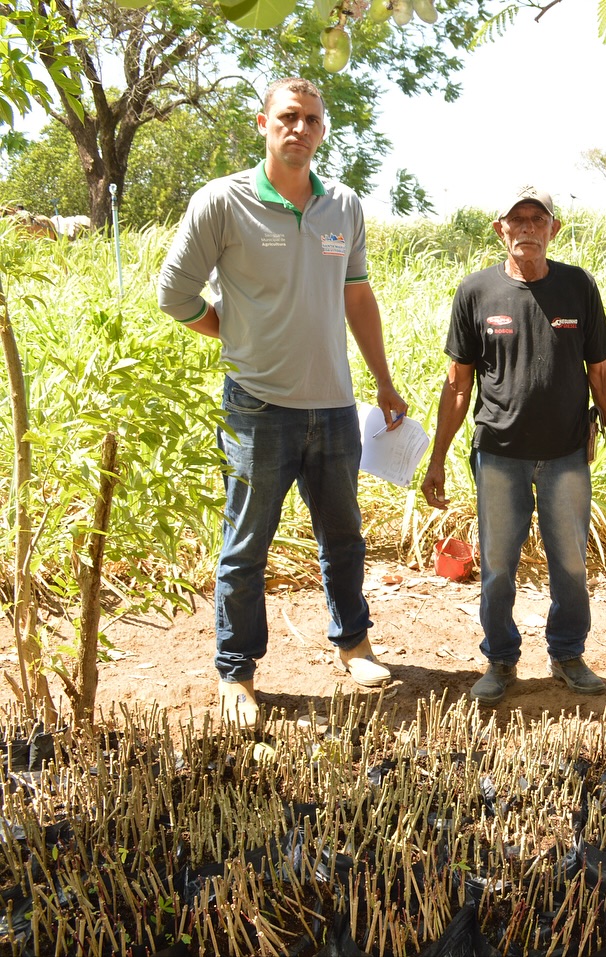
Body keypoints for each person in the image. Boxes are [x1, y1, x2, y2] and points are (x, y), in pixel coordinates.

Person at [157, 77, 408, 728]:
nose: (300, 128)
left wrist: (382, 379)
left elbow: (357, 297)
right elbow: (174, 294)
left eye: (312, 120)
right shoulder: (223, 201)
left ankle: (354, 643)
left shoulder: (343, 207)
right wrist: (231, 332)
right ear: (263, 123)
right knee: (246, 547)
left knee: (344, 537)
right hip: (257, 407)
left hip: (333, 405)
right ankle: (236, 674)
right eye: (288, 117)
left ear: (323, 130)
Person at [421, 187, 606, 705]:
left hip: (565, 457)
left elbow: (601, 373)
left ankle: (567, 654)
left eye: (539, 219)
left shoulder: (577, 286)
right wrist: (438, 458)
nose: (528, 228)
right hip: (499, 455)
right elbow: (457, 384)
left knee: (570, 564)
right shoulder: (476, 292)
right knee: (497, 567)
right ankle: (499, 659)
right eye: (518, 219)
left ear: (554, 230)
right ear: (501, 229)